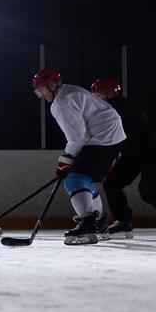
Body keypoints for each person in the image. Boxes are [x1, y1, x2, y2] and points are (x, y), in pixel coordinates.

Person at [32, 68, 126, 245]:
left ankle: (89, 223)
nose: (40, 93)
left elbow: (77, 137)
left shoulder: (61, 103)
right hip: (112, 136)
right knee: (85, 179)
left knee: (74, 179)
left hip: (103, 138)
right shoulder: (69, 90)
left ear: (52, 85)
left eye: (42, 88)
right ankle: (99, 222)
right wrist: (67, 160)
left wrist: (65, 160)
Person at [91, 77, 156, 237]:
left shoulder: (123, 109)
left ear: (110, 93)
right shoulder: (107, 109)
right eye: (95, 94)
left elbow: (123, 138)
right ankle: (123, 221)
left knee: (149, 192)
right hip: (133, 150)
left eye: (99, 94)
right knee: (112, 183)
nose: (95, 98)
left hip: (153, 150)